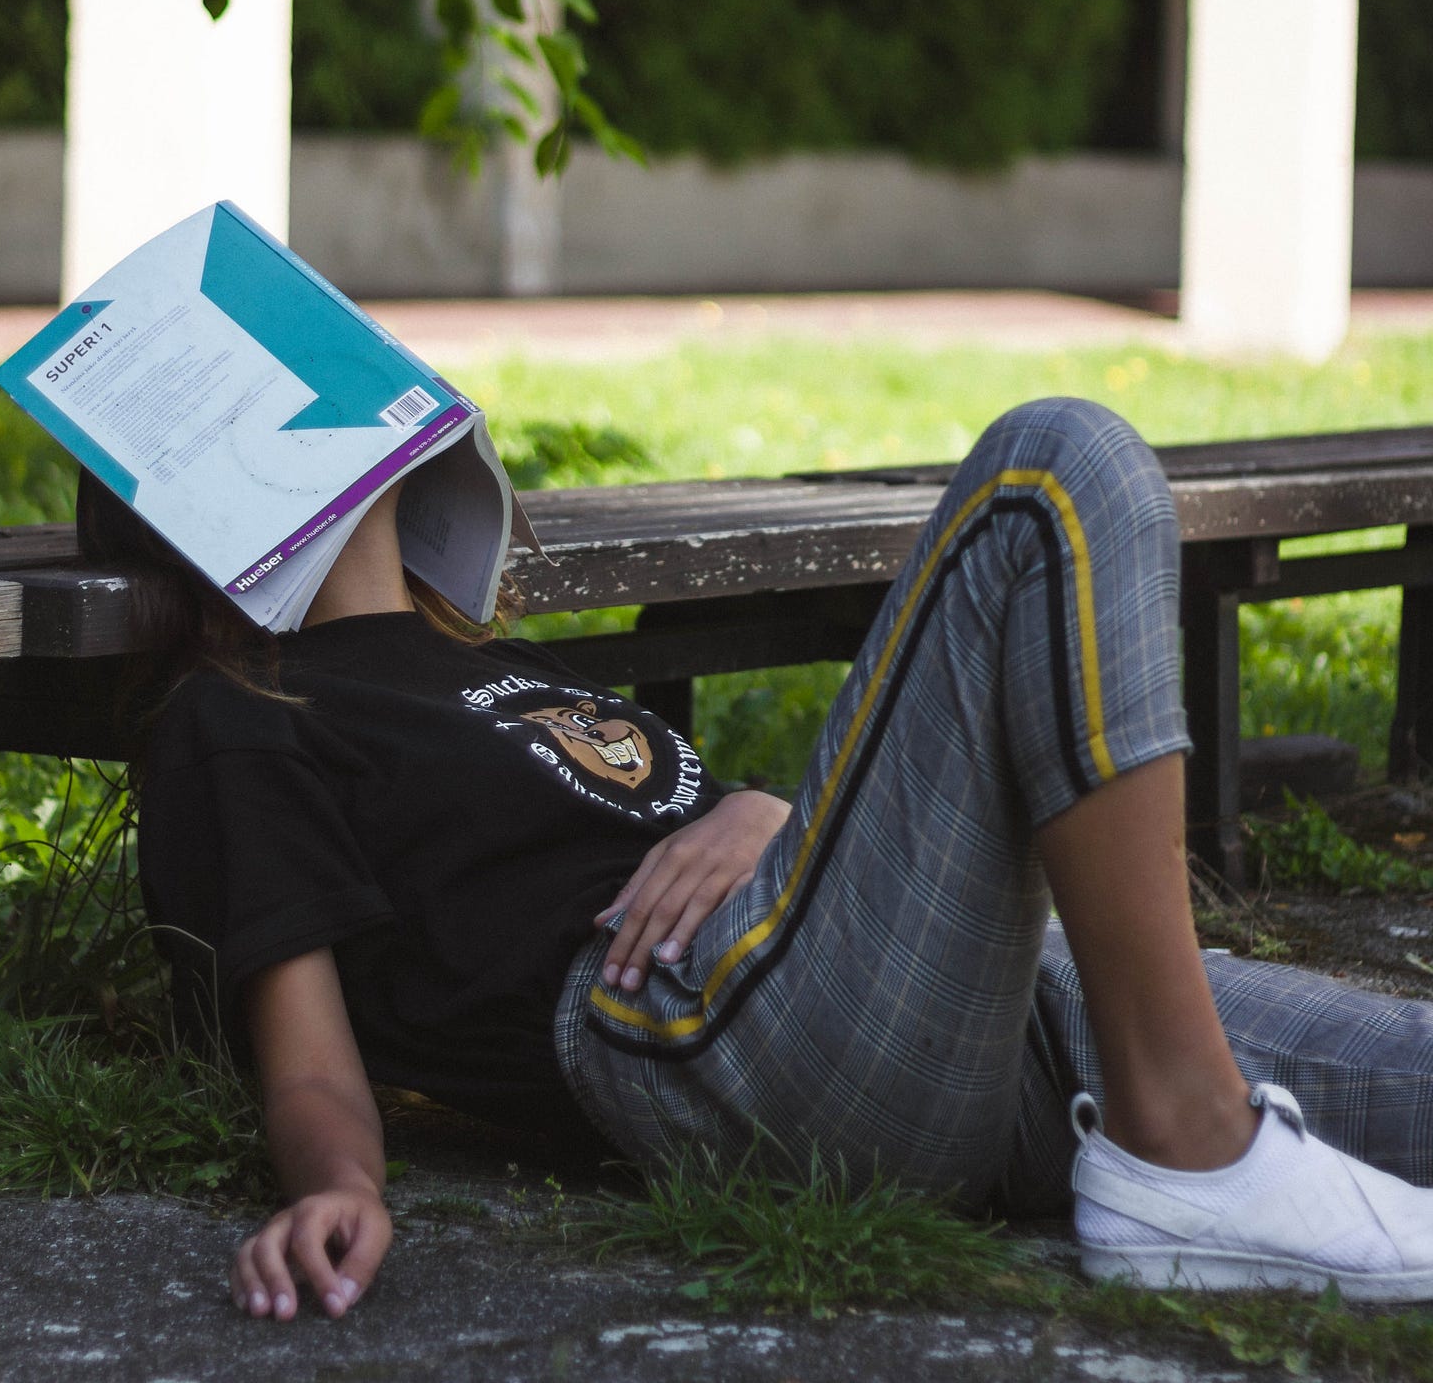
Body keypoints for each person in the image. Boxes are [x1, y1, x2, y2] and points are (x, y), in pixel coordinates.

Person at [81, 397, 1433, 1322]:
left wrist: (757, 811)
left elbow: (757, 839)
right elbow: (310, 1057)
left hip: (949, 1004)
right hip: (720, 1043)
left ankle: (1175, 1129)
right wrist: (340, 1191)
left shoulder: (487, 668)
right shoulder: (244, 716)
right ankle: (1187, 1147)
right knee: (1054, 467)